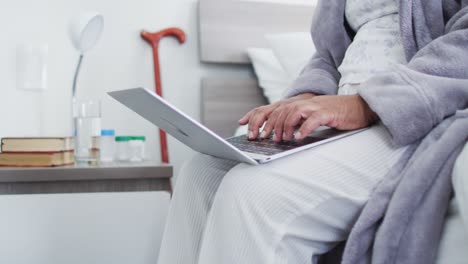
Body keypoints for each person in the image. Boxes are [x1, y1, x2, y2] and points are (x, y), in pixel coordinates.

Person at [157, 0, 466, 263]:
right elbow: (330, 54)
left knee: (254, 193)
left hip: (416, 115)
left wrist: (364, 105)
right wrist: (308, 95)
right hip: (339, 116)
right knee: (200, 173)